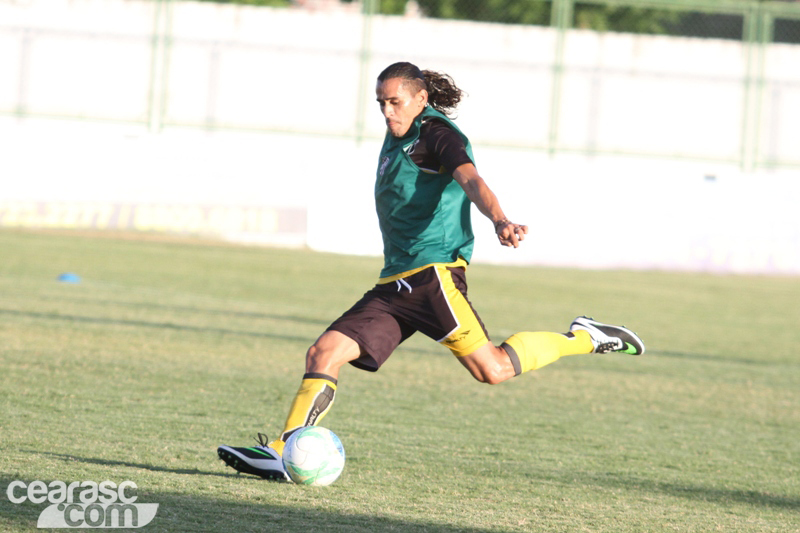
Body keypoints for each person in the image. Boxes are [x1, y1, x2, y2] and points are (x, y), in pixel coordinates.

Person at [218, 62, 645, 481]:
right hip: (394, 283)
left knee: (493, 370)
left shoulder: (437, 135)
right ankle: (282, 451)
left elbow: (472, 180)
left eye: (396, 102)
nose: (388, 112)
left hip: (432, 278)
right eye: (381, 103)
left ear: (421, 99)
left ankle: (587, 337)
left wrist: (500, 220)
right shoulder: (396, 136)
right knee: (323, 353)